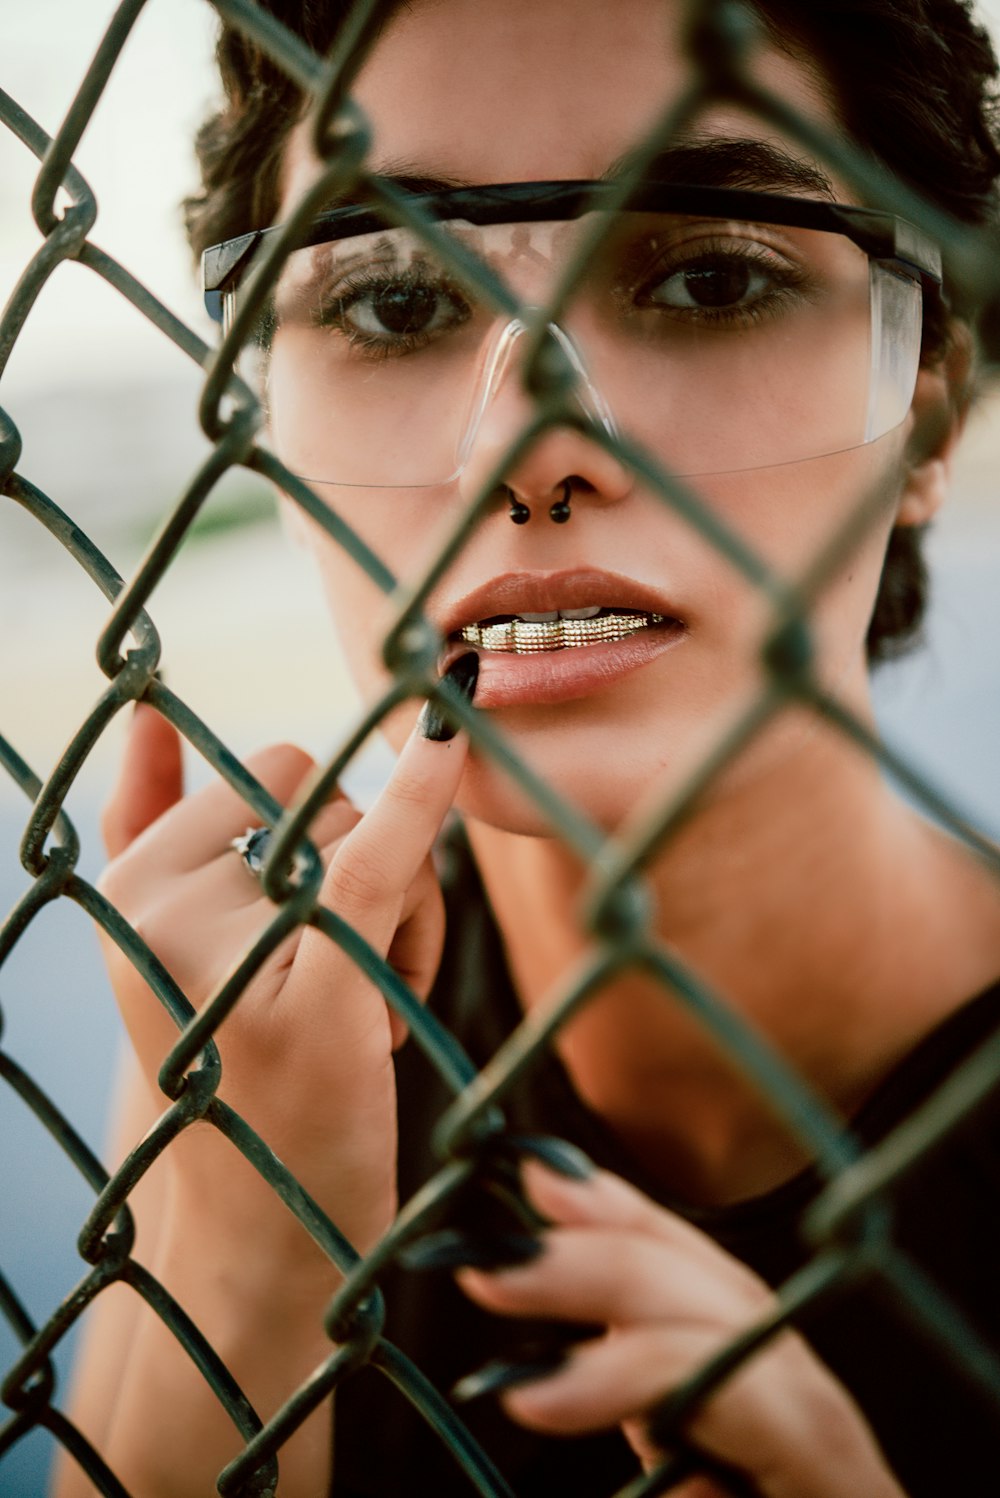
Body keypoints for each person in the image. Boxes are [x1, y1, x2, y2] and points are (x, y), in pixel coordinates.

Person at [55, 0, 1000, 1495]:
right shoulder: (262, 1009)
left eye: (708, 272)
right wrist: (242, 1268)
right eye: (392, 302)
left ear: (931, 401)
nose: (527, 446)